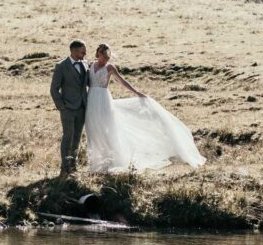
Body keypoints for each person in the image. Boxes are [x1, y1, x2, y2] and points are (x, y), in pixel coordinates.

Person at [85, 43, 206, 173]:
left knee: (107, 128)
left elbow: (122, 81)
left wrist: (137, 93)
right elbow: (86, 81)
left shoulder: (110, 67)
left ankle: (113, 160)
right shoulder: (91, 65)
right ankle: (97, 162)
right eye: (103, 55)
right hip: (92, 98)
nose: (105, 58)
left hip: (103, 99)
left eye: (107, 56)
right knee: (94, 128)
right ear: (98, 54)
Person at [50, 40, 89, 175]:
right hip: (68, 109)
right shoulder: (61, 66)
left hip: (82, 108)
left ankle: (73, 166)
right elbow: (54, 89)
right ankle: (64, 167)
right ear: (73, 51)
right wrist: (62, 107)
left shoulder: (85, 64)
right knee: (68, 136)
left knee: (77, 137)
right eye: (82, 51)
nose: (85, 53)